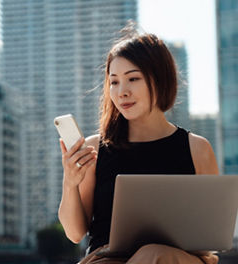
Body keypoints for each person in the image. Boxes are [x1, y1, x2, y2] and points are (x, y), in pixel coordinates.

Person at [58, 25, 219, 264]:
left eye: (133, 79)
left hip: (176, 260)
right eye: (114, 82)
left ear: (160, 80)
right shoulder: (96, 150)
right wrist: (70, 183)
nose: (122, 92)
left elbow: (212, 230)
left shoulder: (197, 149)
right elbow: (74, 233)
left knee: (154, 254)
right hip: (107, 259)